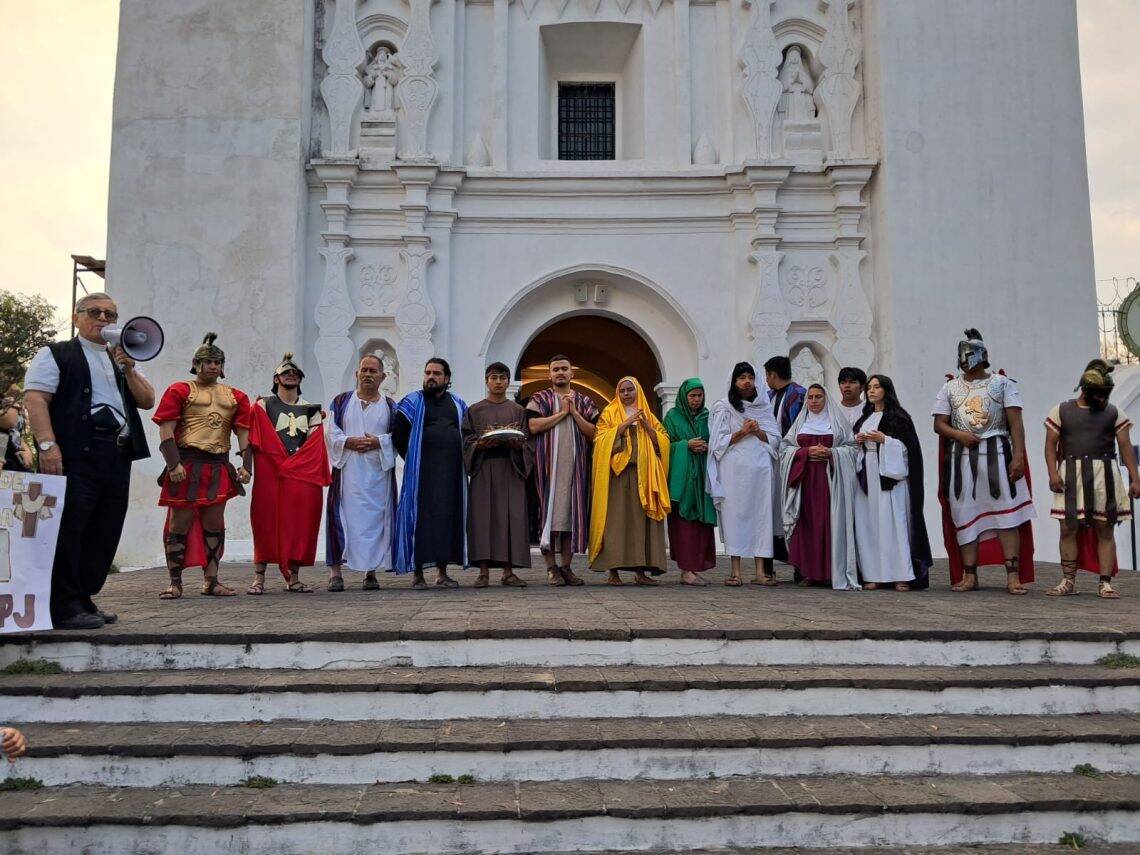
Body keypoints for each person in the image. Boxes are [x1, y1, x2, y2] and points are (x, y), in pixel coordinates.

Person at [23, 292, 155, 629]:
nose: (104, 319)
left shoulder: (120, 358)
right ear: (76, 317)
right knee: (71, 526)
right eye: (95, 312)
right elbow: (36, 398)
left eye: (110, 314)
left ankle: (83, 595)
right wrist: (47, 445)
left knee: (105, 527)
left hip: (116, 452)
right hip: (76, 452)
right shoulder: (56, 353)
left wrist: (129, 369)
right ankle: (63, 603)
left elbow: (147, 400)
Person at [934, 329, 1035, 595]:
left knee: (1007, 516)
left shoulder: (1003, 384)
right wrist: (960, 435)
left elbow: (1016, 423)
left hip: (997, 455)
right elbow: (939, 424)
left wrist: (1018, 457)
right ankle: (969, 576)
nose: (964, 359)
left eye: (969, 353)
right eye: (961, 354)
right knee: (964, 514)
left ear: (982, 355)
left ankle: (1013, 576)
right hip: (961, 460)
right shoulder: (949, 387)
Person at [153, 332, 251, 600]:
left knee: (214, 523)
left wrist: (246, 465)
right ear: (196, 364)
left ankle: (211, 580)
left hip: (218, 465)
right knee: (179, 523)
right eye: (208, 361)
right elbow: (166, 429)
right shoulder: (180, 390)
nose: (213, 366)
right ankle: (175, 582)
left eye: (217, 362)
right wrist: (173, 464)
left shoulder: (236, 396)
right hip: (186, 464)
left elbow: (244, 433)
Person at [1044, 359, 1140, 600]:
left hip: (1104, 474)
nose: (1102, 398)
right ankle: (1068, 580)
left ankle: (1105, 583)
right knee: (1068, 527)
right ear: (1086, 390)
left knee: (1105, 528)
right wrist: (1053, 473)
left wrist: (1135, 478)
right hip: (1071, 473)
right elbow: (1050, 444)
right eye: (1099, 393)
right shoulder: (1061, 410)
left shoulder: (1114, 413)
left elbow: (1125, 446)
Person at [246, 353, 330, 595]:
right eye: (285, 372)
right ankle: (259, 578)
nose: (290, 375)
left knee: (298, 522)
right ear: (276, 378)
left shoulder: (311, 410)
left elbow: (314, 444)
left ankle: (293, 578)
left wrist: (293, 464)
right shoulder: (263, 406)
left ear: (300, 379)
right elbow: (254, 438)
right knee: (265, 519)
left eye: (295, 373)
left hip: (300, 473)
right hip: (270, 471)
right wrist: (248, 467)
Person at [852, 375, 933, 591]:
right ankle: (874, 574)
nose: (871, 391)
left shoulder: (899, 418)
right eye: (869, 387)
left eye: (876, 387)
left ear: (886, 390)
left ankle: (901, 574)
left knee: (894, 524)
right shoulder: (864, 418)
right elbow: (855, 447)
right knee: (870, 525)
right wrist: (858, 442)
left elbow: (910, 450)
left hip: (890, 479)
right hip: (868, 475)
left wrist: (885, 441)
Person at [325, 355, 398, 592]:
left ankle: (370, 573)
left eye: (373, 371)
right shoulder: (341, 402)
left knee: (376, 522)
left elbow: (398, 438)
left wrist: (379, 442)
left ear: (382, 376)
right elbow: (330, 432)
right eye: (364, 370)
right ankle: (335, 573)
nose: (367, 374)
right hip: (348, 473)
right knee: (341, 518)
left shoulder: (390, 406)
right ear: (357, 373)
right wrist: (347, 442)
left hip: (377, 476)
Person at [393, 358, 468, 589]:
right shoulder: (412, 401)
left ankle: (442, 573)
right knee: (420, 520)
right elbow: (398, 435)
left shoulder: (457, 403)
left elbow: (466, 433)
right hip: (421, 474)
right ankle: (417, 574)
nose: (431, 377)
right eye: (428, 373)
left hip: (451, 474)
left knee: (446, 519)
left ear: (447, 378)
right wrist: (414, 459)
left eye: (436, 373)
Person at [589, 377, 671, 585]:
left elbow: (663, 441)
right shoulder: (610, 413)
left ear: (637, 391)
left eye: (630, 390)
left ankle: (641, 572)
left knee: (641, 526)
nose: (626, 394)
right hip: (618, 478)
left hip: (644, 475)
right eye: (622, 390)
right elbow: (599, 441)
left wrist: (647, 427)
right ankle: (613, 573)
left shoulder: (647, 414)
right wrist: (624, 425)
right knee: (615, 524)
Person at [526, 355, 600, 586]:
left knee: (570, 517)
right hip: (547, 471)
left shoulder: (584, 401)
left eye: (564, 369)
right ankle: (551, 568)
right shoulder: (540, 399)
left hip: (576, 470)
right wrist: (562, 414)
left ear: (571, 373)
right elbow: (533, 426)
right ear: (549, 374)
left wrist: (575, 412)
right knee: (548, 517)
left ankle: (566, 567)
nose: (560, 372)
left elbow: (595, 434)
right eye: (556, 369)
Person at [780, 384, 860, 589]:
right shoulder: (800, 424)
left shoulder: (837, 424)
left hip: (830, 481)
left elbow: (852, 449)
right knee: (807, 524)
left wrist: (832, 453)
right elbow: (785, 448)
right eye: (810, 397)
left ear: (826, 399)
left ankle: (830, 572)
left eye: (818, 397)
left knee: (828, 523)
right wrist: (805, 453)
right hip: (805, 481)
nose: (814, 401)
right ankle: (809, 572)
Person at [707, 363, 781, 586]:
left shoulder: (764, 408)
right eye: (741, 378)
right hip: (734, 469)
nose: (747, 381)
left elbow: (775, 440)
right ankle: (735, 572)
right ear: (734, 382)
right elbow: (717, 443)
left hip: (760, 468)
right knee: (735, 516)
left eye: (750, 377)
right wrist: (743, 432)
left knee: (762, 516)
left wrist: (757, 431)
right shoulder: (723, 407)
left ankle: (760, 572)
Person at [462, 362, 533, 588]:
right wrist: (480, 445)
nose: (498, 382)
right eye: (494, 378)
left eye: (503, 378)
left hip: (510, 468)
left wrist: (518, 444)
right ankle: (483, 572)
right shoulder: (475, 410)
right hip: (484, 468)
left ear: (508, 382)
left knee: (510, 518)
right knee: (483, 519)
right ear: (487, 381)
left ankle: (508, 572)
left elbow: (528, 442)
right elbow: (466, 440)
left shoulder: (518, 410)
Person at [663, 378, 718, 585]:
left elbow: (718, 441)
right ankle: (686, 570)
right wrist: (685, 445)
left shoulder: (708, 417)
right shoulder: (672, 417)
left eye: (699, 395)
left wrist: (708, 447)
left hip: (703, 477)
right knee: (684, 525)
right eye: (692, 395)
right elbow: (663, 445)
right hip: (682, 480)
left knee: (700, 525)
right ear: (684, 397)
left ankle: (694, 568)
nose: (696, 399)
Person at [764, 354, 807, 578]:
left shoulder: (799, 395)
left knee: (794, 507)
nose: (766, 380)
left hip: (792, 457)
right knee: (772, 509)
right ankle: (771, 560)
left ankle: (800, 564)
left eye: (767, 375)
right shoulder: (768, 396)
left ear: (773, 374)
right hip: (771, 459)